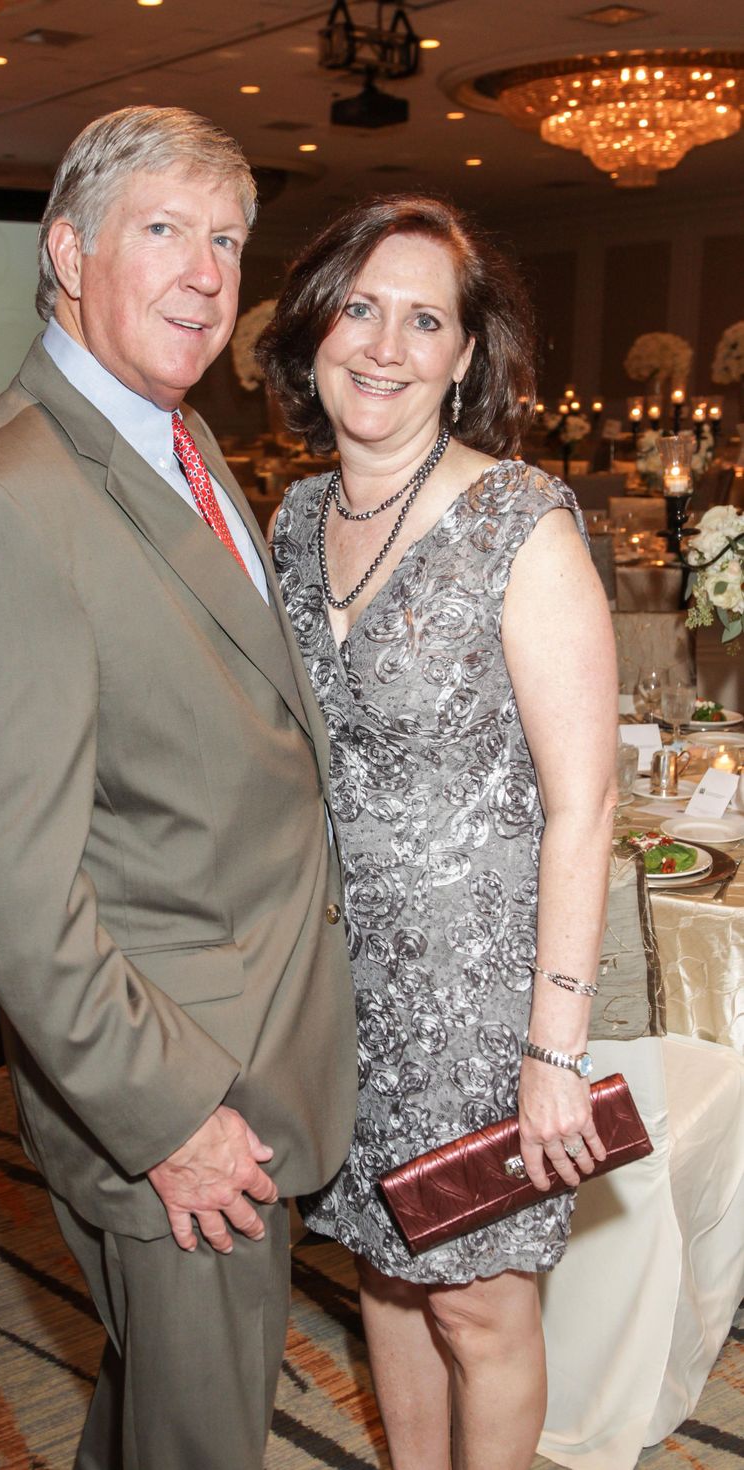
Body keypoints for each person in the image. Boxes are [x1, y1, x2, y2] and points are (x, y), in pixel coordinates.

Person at [0, 106, 357, 1470]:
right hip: (180, 1101)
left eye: (225, 238)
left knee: (162, 1417)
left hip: (249, 1052)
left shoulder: (178, 438)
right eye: (164, 229)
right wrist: (172, 1119)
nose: (209, 273)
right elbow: (8, 886)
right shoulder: (8, 500)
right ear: (66, 250)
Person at [259, 195, 617, 1470]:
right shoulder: (293, 523)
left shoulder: (521, 523)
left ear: (466, 357)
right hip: (337, 984)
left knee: (475, 1296)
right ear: (313, 330)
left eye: (425, 320)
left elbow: (586, 802)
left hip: (479, 1001)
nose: (384, 345)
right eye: (359, 308)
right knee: (381, 1266)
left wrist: (553, 1046)